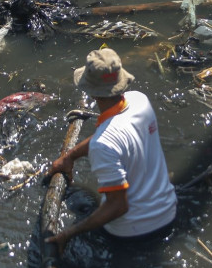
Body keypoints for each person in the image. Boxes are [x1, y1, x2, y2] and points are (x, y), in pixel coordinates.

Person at [44, 49, 177, 254]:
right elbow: (107, 135)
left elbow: (118, 207)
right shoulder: (140, 100)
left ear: (92, 93)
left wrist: (68, 234)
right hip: (169, 214)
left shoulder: (103, 145)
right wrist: (69, 157)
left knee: (78, 203)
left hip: (129, 233)